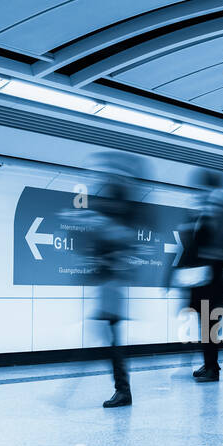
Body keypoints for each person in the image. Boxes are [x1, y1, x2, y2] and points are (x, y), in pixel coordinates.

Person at [80, 153, 146, 408]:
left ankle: (123, 390)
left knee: (111, 335)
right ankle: (122, 389)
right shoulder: (113, 198)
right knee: (109, 334)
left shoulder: (120, 201)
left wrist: (98, 225)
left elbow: (122, 238)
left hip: (112, 280)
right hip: (108, 278)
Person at [167, 169, 223, 382]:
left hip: (213, 279)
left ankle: (212, 369)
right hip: (203, 278)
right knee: (206, 324)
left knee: (209, 324)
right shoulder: (205, 209)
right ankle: (209, 364)